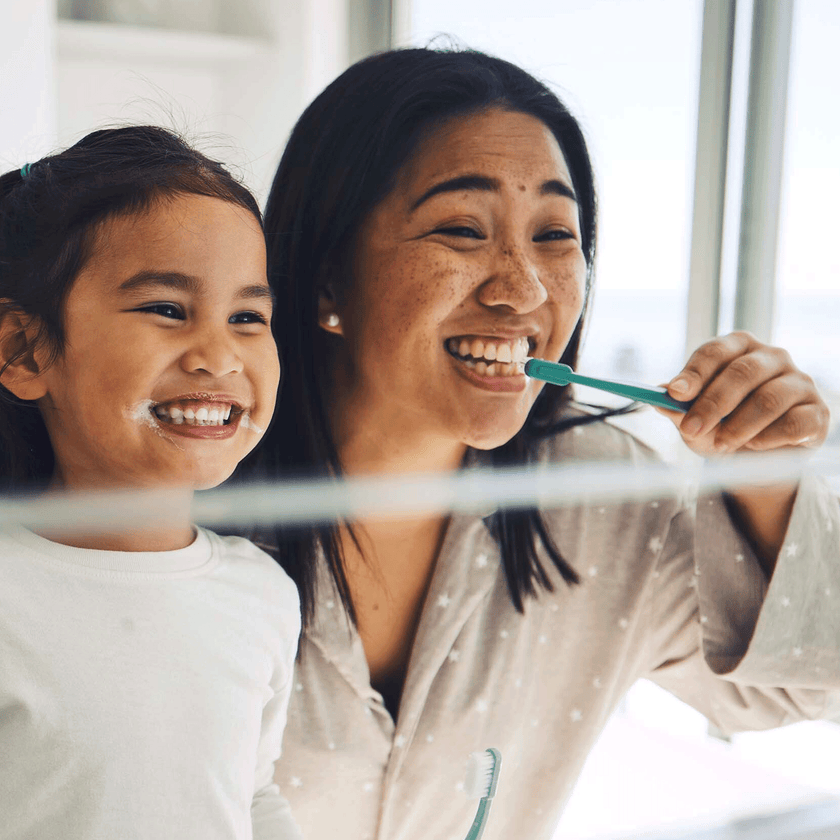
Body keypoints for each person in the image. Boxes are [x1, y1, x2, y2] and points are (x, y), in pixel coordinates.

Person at [255, 48, 839, 840]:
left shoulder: (601, 497)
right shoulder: (176, 510)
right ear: (327, 278)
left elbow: (813, 684)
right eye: (462, 229)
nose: (523, 289)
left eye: (556, 235)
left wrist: (770, 484)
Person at [0, 127, 302, 839]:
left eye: (248, 318)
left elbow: (251, 794)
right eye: (168, 309)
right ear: (24, 349)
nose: (219, 356)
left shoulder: (261, 595)